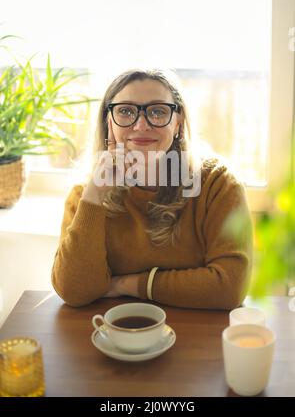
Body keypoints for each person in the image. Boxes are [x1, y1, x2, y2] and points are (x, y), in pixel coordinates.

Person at [51, 68, 253, 310]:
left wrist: (125, 285)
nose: (141, 124)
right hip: (114, 333)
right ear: (109, 122)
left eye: (157, 111)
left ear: (178, 123)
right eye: (126, 111)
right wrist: (95, 195)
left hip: (199, 335)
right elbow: (74, 291)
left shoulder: (218, 184)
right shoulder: (86, 193)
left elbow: (230, 287)